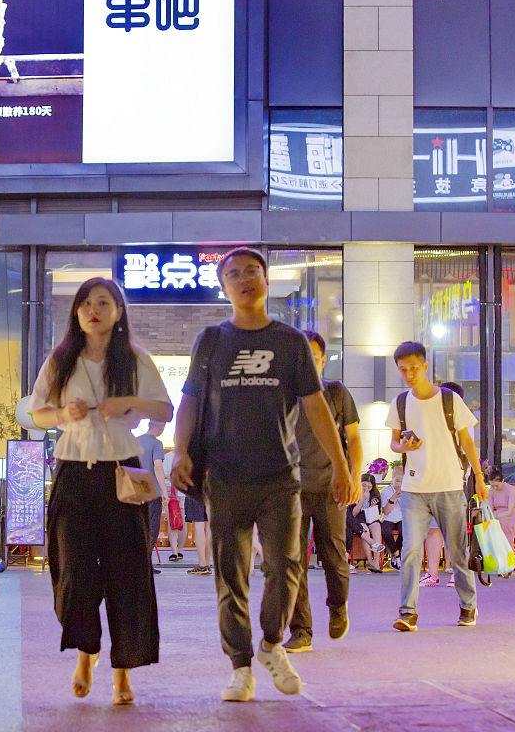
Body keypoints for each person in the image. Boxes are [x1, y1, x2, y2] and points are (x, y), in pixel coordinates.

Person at [172, 247, 360, 702]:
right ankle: (240, 667)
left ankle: (272, 643)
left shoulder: (290, 342)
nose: (243, 279)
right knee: (230, 574)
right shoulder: (211, 341)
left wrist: (342, 467)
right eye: (233, 274)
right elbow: (191, 402)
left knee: (286, 566)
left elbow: (317, 409)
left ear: (266, 280)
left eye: (252, 272)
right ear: (224, 287)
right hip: (227, 476)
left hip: (280, 476)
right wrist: (180, 452)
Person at [29, 277, 173, 706]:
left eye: (103, 302)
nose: (93, 309)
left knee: (128, 575)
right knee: (73, 571)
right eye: (86, 303)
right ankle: (85, 651)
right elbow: (36, 414)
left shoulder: (135, 360)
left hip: (122, 473)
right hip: (73, 473)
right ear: (76, 313)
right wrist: (60, 413)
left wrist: (129, 402)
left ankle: (122, 671)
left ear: (118, 311)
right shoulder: (61, 360)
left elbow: (164, 409)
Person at [388, 341, 488, 632]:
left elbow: (467, 441)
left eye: (414, 368)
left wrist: (479, 478)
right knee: (410, 551)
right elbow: (394, 443)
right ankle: (408, 612)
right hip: (413, 489)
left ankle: (468, 605)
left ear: (426, 366)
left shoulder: (448, 399)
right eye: (403, 370)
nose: (409, 374)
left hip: (449, 485)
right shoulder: (401, 403)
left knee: (457, 551)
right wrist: (404, 445)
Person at [282, 329, 362, 654]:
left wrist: (354, 475)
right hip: (291, 491)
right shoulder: (282, 397)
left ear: (322, 360)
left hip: (331, 488)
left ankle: (338, 606)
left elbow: (354, 440)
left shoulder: (336, 393)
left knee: (334, 557)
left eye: (312, 359)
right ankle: (301, 630)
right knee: (292, 562)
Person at [137, 421, 167, 573]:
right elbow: (158, 466)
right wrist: (165, 491)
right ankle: (145, 564)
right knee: (152, 528)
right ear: (161, 427)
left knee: (137, 527)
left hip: (135, 492)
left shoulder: (135, 441)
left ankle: (138, 563)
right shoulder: (157, 443)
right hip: (153, 492)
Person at [379, 468, 404, 570]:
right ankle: (397, 554)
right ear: (392, 479)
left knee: (406, 530)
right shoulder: (385, 491)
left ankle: (395, 556)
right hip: (388, 518)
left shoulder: (407, 490)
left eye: (402, 481)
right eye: (397, 481)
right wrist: (393, 498)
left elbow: (408, 509)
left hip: (402, 517)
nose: (399, 484)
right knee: (385, 531)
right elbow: (386, 512)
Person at [487, 469, 515, 548]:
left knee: (501, 523)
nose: (494, 488)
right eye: (492, 485)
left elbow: (510, 512)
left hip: (509, 517)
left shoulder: (510, 490)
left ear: (503, 481)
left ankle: (508, 552)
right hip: (495, 515)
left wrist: (495, 516)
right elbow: (489, 508)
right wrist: (489, 516)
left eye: (496, 486)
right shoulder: (491, 490)